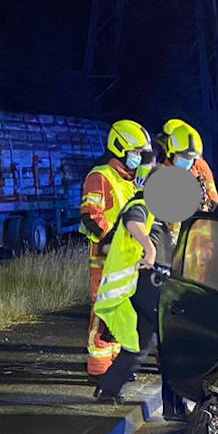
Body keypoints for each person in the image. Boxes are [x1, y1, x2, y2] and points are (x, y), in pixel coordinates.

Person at [92, 166, 196, 403]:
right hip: (146, 281)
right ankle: (175, 404)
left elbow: (108, 246)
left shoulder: (159, 218)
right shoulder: (141, 206)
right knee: (171, 338)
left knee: (140, 343)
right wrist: (148, 249)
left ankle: (108, 389)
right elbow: (133, 223)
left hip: (151, 282)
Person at [79, 119, 153, 377]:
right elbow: (91, 216)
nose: (139, 158)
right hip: (105, 258)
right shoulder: (100, 177)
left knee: (122, 311)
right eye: (136, 153)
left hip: (126, 260)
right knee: (104, 311)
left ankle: (116, 365)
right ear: (120, 147)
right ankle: (98, 367)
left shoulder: (130, 181)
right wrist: (114, 240)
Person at [160, 118, 218, 212]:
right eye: (182, 156)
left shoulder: (200, 166)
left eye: (190, 158)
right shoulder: (161, 166)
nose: (187, 161)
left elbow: (213, 202)